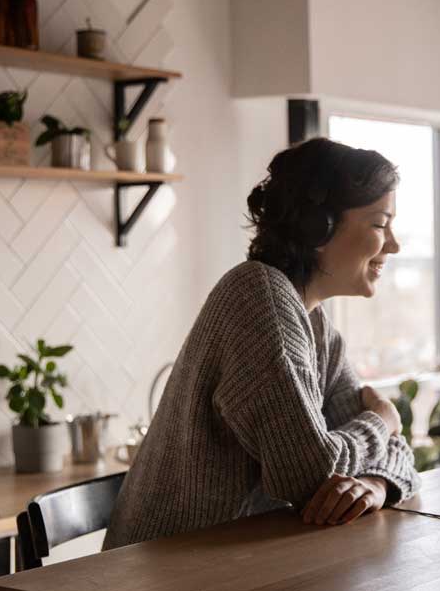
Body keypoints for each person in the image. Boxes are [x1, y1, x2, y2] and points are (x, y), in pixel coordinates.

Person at [103, 137, 422, 549]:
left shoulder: (318, 326)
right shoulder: (258, 298)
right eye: (380, 224)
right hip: (161, 574)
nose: (394, 244)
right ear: (318, 227)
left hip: (231, 565)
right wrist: (382, 421)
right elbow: (311, 475)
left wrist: (377, 484)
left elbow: (396, 457)